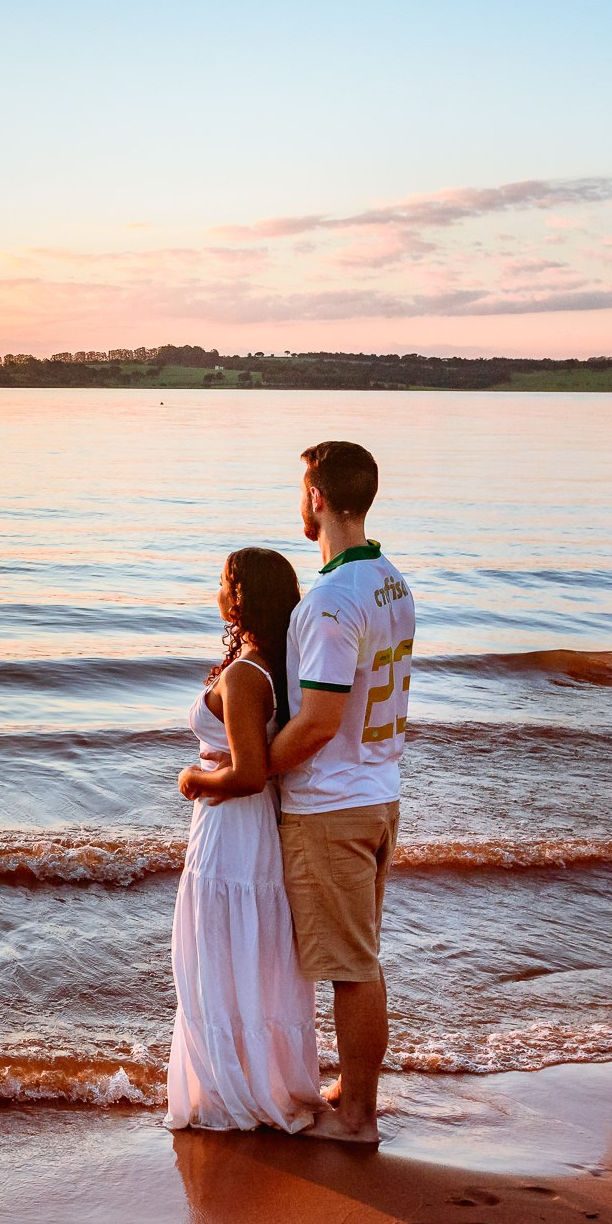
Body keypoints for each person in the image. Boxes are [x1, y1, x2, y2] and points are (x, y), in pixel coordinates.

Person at [266, 440, 414, 1144]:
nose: (301, 501)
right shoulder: (391, 582)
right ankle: (354, 1091)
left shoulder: (328, 600)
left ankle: (357, 1116)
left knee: (352, 967)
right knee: (361, 957)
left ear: (317, 498)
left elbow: (320, 719)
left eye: (302, 490)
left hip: (333, 802)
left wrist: (254, 768)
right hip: (379, 790)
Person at [166, 547, 325, 1132]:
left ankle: (233, 1091)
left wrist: (193, 779)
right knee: (248, 950)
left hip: (230, 824)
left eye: (221, 583)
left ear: (239, 598)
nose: (215, 593)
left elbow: (249, 772)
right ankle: (260, 1077)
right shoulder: (278, 667)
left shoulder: (244, 675)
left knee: (220, 947)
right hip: (257, 826)